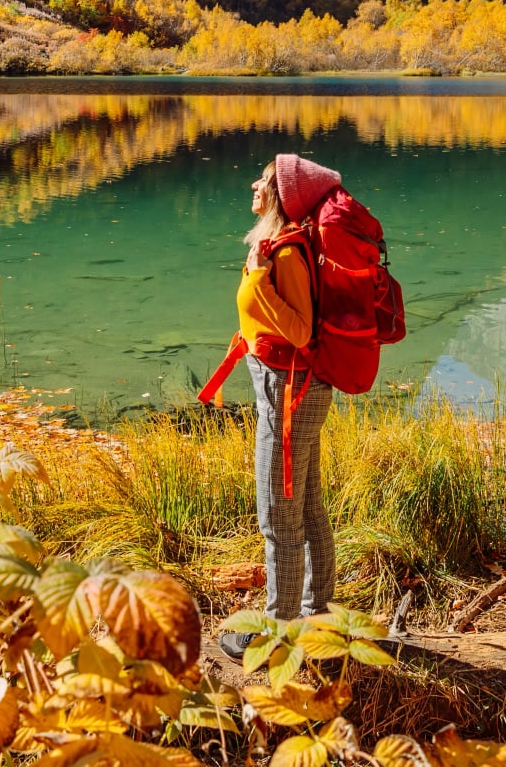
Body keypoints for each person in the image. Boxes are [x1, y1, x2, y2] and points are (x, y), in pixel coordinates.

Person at [216, 153, 343, 660]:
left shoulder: (286, 256)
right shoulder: (282, 246)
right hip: (296, 390)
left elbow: (299, 331)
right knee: (307, 508)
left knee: (278, 520)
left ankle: (274, 638)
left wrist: (258, 281)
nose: (254, 184)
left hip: (289, 394)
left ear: (282, 197)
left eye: (264, 181)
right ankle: (317, 613)